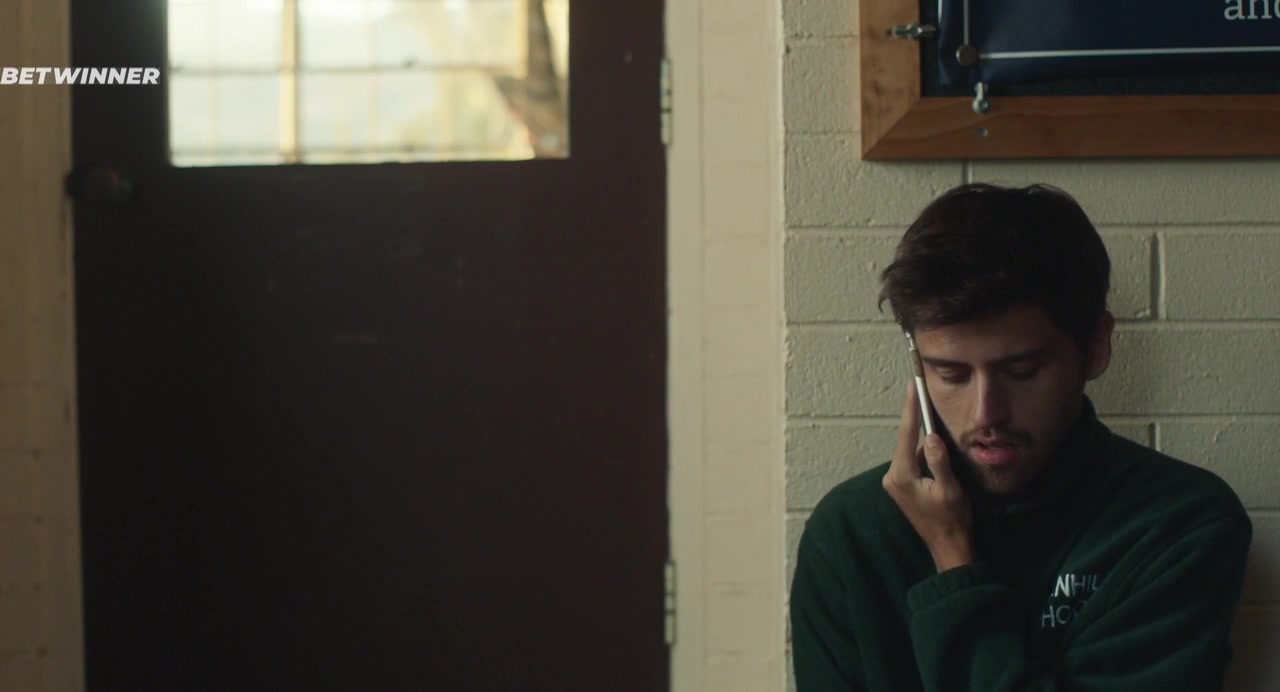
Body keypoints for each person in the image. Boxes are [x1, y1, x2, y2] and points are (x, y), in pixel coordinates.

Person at [789, 183, 1252, 691]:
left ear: (1095, 347)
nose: (986, 413)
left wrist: (952, 559)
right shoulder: (852, 532)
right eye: (951, 374)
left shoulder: (1180, 524)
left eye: (1022, 371)